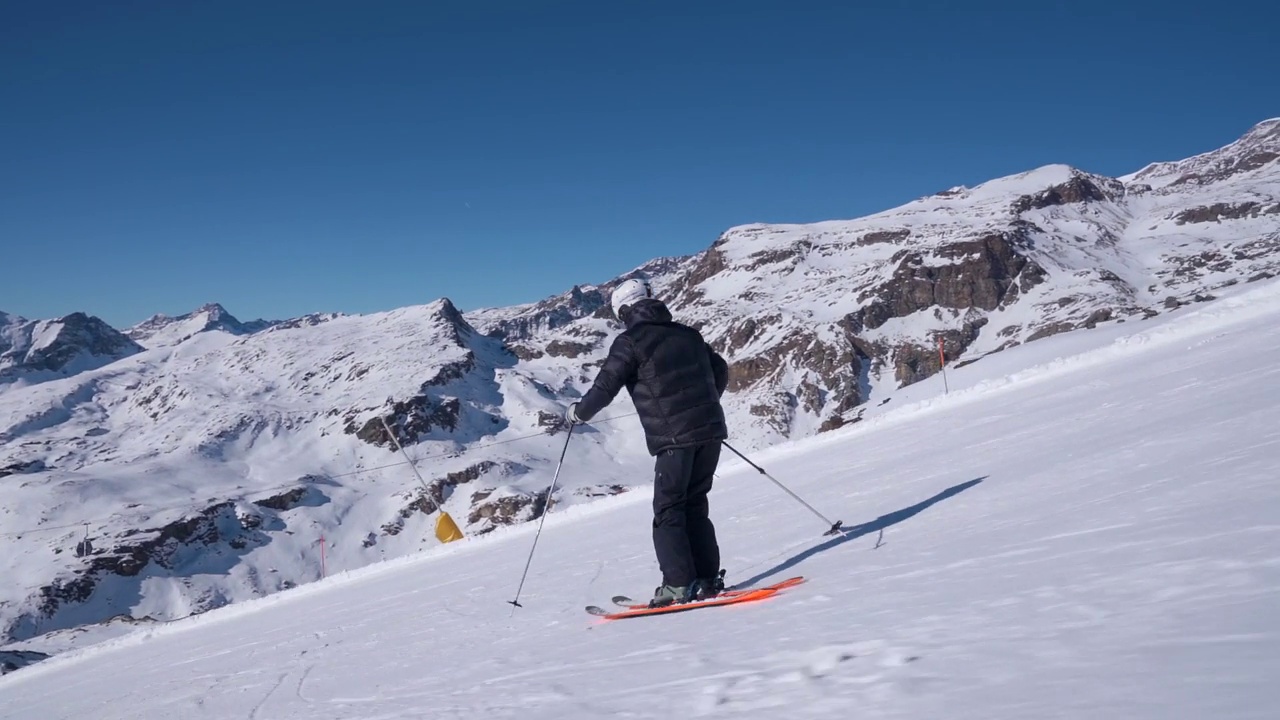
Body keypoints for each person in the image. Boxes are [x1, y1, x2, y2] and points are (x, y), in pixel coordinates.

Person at [565, 277, 730, 607]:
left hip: (674, 440)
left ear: (624, 311)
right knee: (695, 504)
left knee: (668, 510)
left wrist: (577, 414)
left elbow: (604, 387)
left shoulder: (630, 342)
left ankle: (679, 586)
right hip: (710, 432)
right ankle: (707, 580)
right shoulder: (688, 334)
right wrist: (704, 406)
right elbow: (720, 370)